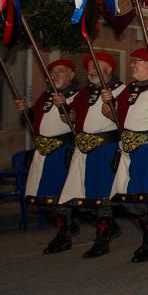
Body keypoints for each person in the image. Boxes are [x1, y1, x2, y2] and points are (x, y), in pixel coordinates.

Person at [103, 48, 148, 263]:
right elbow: (116, 117)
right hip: (128, 150)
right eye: (132, 61)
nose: (132, 65)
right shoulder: (127, 90)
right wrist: (108, 104)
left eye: (137, 61)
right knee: (125, 198)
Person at [58, 52, 125, 258]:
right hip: (83, 149)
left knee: (102, 197)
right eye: (90, 67)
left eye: (97, 66)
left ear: (109, 70)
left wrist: (111, 104)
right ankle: (102, 228)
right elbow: (70, 119)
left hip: (106, 148)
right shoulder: (84, 93)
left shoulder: (121, 90)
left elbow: (122, 119)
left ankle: (102, 240)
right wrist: (63, 107)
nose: (92, 70)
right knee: (77, 196)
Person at [16, 59, 79, 254]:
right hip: (43, 151)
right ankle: (67, 227)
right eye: (52, 72)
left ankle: (64, 235)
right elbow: (37, 121)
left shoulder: (77, 95)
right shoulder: (45, 96)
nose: (55, 75)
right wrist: (25, 112)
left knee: (58, 196)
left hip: (62, 150)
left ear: (71, 75)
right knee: (40, 198)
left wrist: (64, 106)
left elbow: (73, 119)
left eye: (60, 71)